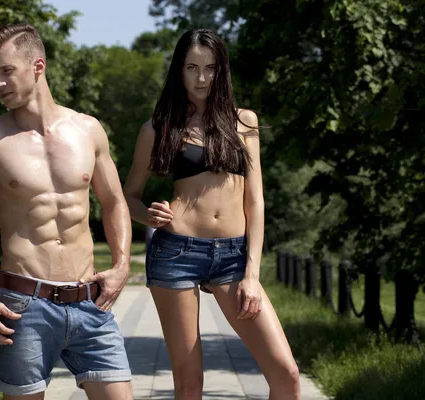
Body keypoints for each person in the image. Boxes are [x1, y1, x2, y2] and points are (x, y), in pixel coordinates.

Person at [0, 23, 133, 400]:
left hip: (90, 301)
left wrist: (121, 265)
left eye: (6, 71)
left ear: (37, 66)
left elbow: (114, 200)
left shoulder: (88, 130)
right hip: (23, 306)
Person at [123, 29, 300, 400]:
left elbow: (256, 201)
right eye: (192, 68)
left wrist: (252, 275)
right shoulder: (157, 129)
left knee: (286, 373)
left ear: (222, 71)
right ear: (179, 71)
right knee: (190, 386)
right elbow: (130, 198)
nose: (201, 78)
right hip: (176, 254)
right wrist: (148, 215)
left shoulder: (244, 122)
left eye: (210, 68)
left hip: (234, 258)